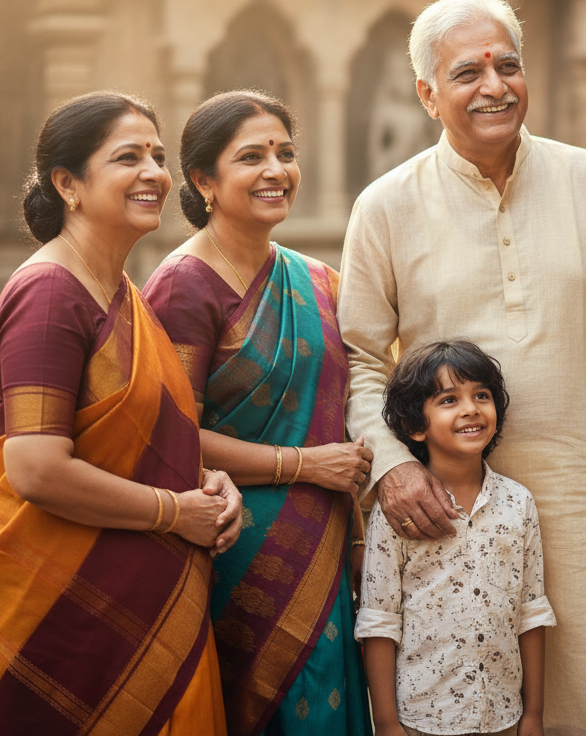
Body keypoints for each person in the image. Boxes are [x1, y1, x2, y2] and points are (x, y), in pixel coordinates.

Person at [339, 0, 586, 736]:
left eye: (508, 65)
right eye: (468, 72)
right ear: (428, 95)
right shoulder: (386, 206)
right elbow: (361, 361)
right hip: (448, 527)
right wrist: (392, 468)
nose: (495, 85)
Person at [0, 91, 242, 736]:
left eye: (158, 156)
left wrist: (209, 485)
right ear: (68, 184)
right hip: (66, 612)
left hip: (147, 595)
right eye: (128, 157)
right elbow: (36, 469)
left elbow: (157, 439)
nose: (155, 173)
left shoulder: (123, 293)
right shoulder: (50, 295)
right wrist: (174, 511)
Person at [142, 90, 373, 736]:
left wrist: (357, 537)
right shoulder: (183, 285)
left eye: (285, 152)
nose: (276, 170)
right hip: (232, 542)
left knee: (326, 698)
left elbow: (340, 423)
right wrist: (302, 464)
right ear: (203, 181)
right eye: (252, 156)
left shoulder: (320, 281)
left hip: (326, 537)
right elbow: (171, 436)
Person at [355, 339, 556, 736]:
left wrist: (533, 715)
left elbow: (531, 612)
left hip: (503, 716)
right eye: (448, 399)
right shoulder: (397, 512)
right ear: (415, 425)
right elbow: (379, 622)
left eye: (481, 395)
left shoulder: (519, 503)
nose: (470, 409)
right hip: (421, 720)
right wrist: (387, 724)